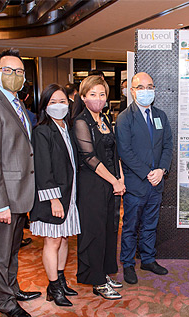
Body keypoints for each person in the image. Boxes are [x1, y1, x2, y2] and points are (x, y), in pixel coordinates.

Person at [0, 48, 40, 317]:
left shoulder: (18, 104)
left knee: (13, 249)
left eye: (19, 72)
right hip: (5, 196)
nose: (14, 76)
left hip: (21, 193)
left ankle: (12, 288)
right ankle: (4, 301)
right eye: (8, 70)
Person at [116, 72, 173, 285]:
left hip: (157, 182)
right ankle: (128, 264)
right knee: (131, 226)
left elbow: (167, 146)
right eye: (141, 87)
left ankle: (148, 259)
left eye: (150, 87)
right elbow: (125, 151)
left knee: (151, 224)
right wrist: (146, 172)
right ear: (132, 91)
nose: (146, 91)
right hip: (136, 184)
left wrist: (161, 170)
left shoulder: (160, 116)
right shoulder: (124, 118)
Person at [73, 75, 125, 300]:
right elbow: (89, 158)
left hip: (111, 183)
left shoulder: (104, 118)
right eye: (92, 94)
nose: (98, 98)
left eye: (102, 94)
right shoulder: (81, 122)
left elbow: (115, 152)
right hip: (92, 185)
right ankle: (96, 280)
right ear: (83, 97)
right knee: (94, 232)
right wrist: (114, 181)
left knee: (109, 230)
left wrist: (120, 178)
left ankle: (104, 274)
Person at [29, 84, 81, 307]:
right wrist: (54, 199)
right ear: (45, 106)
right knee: (52, 241)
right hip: (53, 198)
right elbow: (43, 168)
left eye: (62, 102)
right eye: (53, 102)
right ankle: (53, 287)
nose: (59, 106)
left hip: (70, 194)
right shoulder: (42, 130)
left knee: (64, 238)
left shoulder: (67, 129)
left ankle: (60, 280)